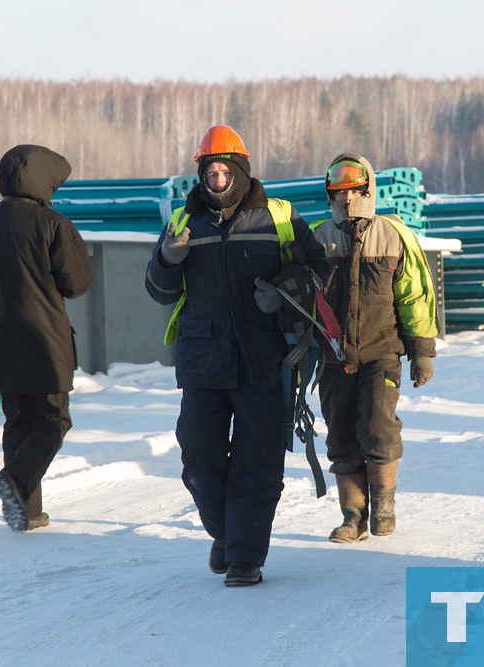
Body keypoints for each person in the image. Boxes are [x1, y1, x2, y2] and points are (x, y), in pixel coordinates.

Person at [145, 125, 327, 586]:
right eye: (211, 170)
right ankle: (225, 535)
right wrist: (167, 258)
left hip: (266, 358)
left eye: (226, 170)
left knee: (258, 459)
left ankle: (245, 557)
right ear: (201, 174)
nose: (218, 178)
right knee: (199, 457)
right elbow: (158, 292)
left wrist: (285, 290)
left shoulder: (280, 217)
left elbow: (320, 272)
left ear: (242, 171)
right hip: (203, 360)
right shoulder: (185, 223)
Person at [0, 144, 95, 532]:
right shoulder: (52, 224)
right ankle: (14, 480)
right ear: (45, 181)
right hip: (45, 344)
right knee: (53, 419)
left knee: (19, 421)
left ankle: (26, 512)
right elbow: (77, 283)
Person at [309, 153, 438, 543]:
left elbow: (413, 296)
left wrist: (421, 351)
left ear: (367, 189)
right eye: (340, 191)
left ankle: (384, 505)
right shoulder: (317, 238)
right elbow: (302, 296)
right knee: (341, 435)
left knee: (378, 428)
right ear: (331, 193)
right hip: (333, 356)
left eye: (354, 190)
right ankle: (353, 517)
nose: (347, 198)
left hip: (381, 353)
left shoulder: (393, 235)